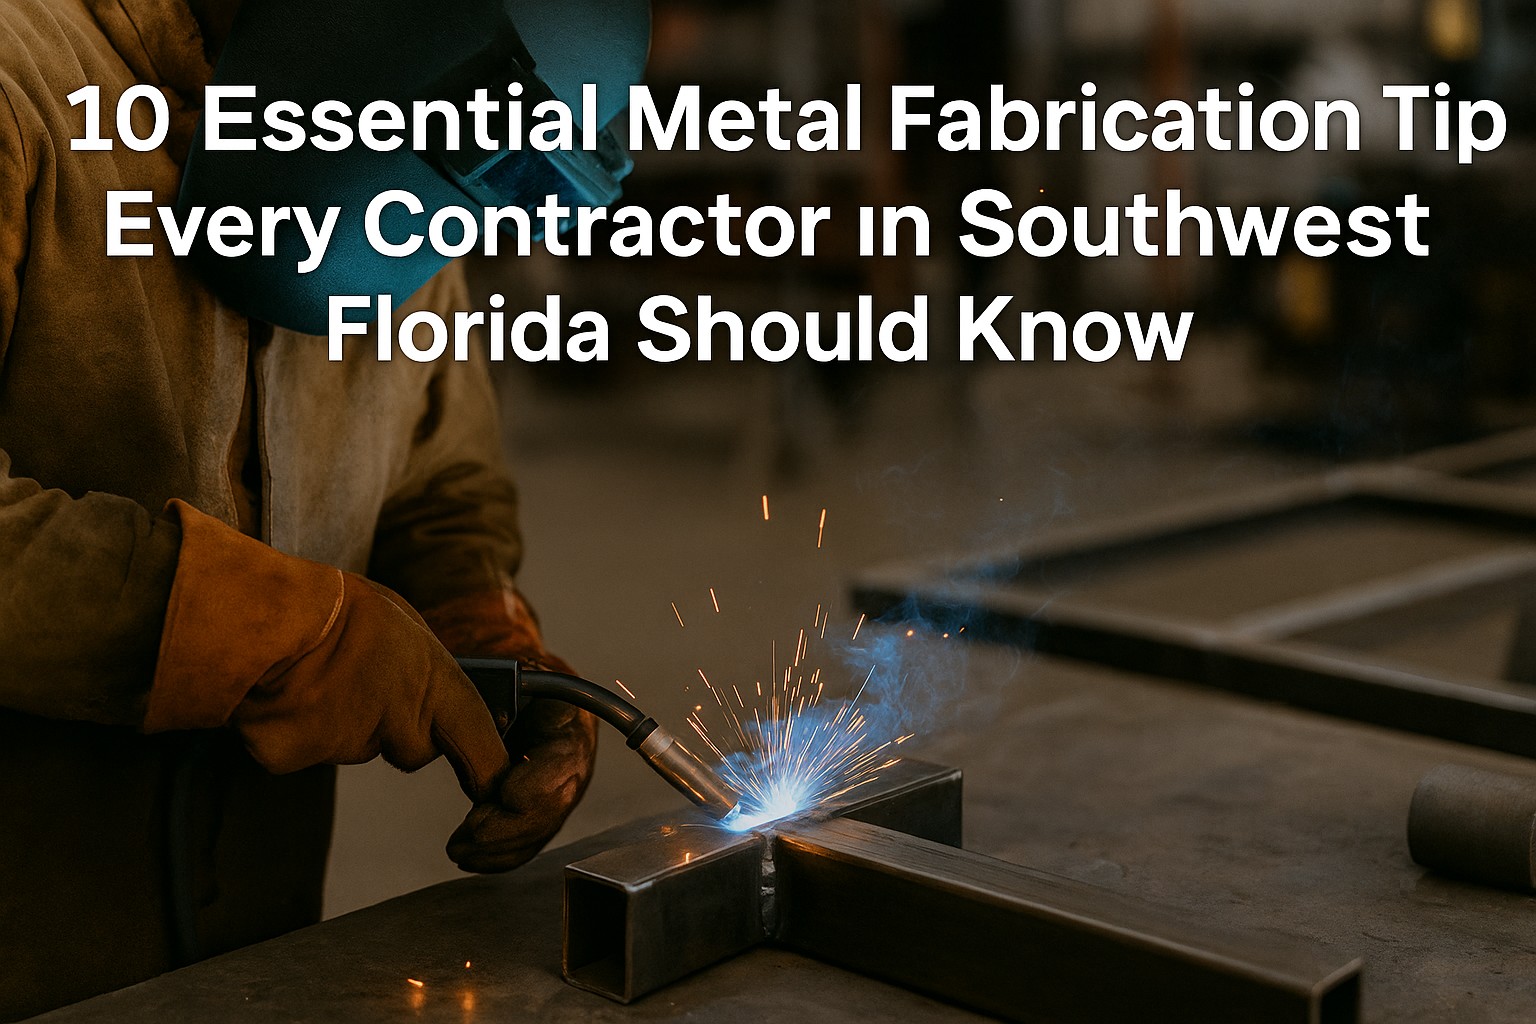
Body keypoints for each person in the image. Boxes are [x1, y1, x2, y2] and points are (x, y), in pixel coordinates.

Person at [0, 0, 602, 1017]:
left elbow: (440, 479)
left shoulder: (416, 119)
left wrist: (487, 639)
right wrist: (287, 638)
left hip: (251, 937)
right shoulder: (25, 86)